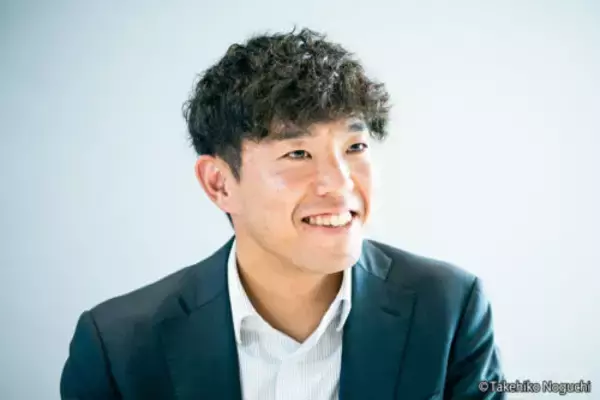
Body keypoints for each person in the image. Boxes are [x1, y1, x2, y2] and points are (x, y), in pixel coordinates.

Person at [60, 27, 505, 399]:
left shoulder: (448, 308)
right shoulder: (118, 347)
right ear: (219, 183)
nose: (340, 183)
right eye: (297, 153)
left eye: (355, 147)